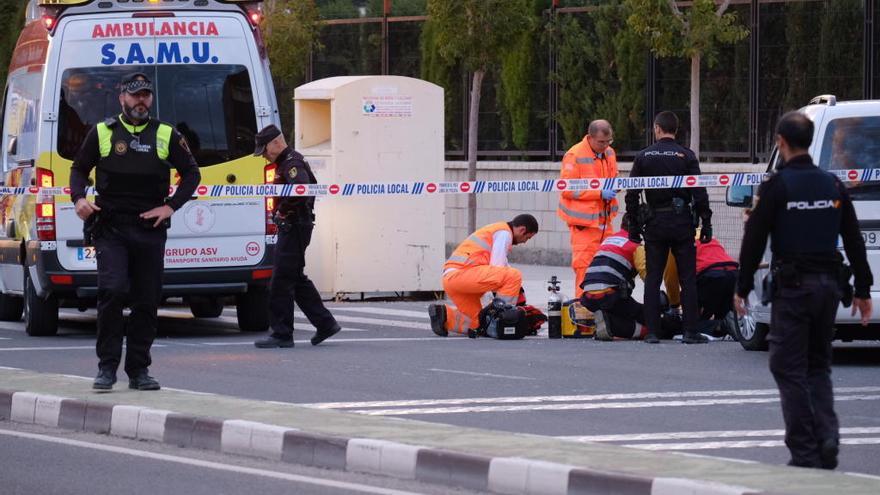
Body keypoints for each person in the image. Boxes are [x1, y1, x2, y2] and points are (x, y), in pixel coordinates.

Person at [734, 111, 873, 469]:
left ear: (780, 142)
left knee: (787, 366)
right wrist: (863, 289)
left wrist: (742, 285)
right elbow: (854, 238)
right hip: (829, 288)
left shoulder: (778, 186)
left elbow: (754, 239)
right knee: (818, 365)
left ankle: (804, 449)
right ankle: (827, 435)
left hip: (793, 290)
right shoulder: (832, 185)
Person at [70, 72, 201, 391]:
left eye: (145, 95)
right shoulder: (102, 132)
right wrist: (78, 199)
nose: (141, 100)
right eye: (135, 95)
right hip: (111, 227)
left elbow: (191, 174)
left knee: (146, 300)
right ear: (122, 98)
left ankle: (139, 370)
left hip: (149, 229)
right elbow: (78, 169)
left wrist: (170, 206)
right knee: (112, 291)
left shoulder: (166, 134)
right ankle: (106, 368)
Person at [625, 111, 712, 344]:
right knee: (688, 278)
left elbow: (632, 193)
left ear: (656, 128)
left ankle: (653, 332)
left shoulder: (644, 156)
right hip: (682, 222)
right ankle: (690, 331)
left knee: (653, 277)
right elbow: (699, 190)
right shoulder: (686, 155)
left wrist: (633, 224)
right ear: (676, 129)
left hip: (655, 224)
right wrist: (706, 221)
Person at [253, 125, 341, 349]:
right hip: (296, 226)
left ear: (276, 143)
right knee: (295, 278)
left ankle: (282, 334)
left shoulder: (292, 163)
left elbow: (301, 189)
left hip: (295, 226)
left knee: (280, 280)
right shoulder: (287, 162)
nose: (264, 155)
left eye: (265, 150)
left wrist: (284, 212)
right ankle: (325, 323)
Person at [428, 215, 539, 337]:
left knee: (479, 324)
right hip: (461, 275)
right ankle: (502, 319)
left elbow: (502, 270)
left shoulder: (496, 230)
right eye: (527, 237)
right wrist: (506, 309)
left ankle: (444, 315)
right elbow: (498, 266)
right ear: (522, 230)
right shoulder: (504, 233)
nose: (524, 242)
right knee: (514, 276)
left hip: (452, 280)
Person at [579, 213, 679, 341]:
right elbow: (649, 277)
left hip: (588, 296)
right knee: (652, 321)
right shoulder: (635, 245)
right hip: (610, 295)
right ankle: (612, 324)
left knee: (624, 311)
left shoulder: (609, 240)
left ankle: (606, 321)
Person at [557, 120, 619, 299]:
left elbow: (614, 174)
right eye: (601, 142)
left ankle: (604, 314)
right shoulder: (574, 155)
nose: (606, 145)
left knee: (608, 268)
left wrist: (617, 184)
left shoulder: (609, 152)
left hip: (605, 223)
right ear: (590, 137)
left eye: (609, 141)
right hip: (584, 226)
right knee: (585, 271)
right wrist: (599, 193)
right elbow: (567, 188)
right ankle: (582, 314)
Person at [664, 229, 739, 336]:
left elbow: (670, 277)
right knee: (718, 310)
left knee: (689, 325)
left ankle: (720, 325)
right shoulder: (710, 237)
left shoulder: (677, 241)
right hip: (732, 274)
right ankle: (726, 324)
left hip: (709, 276)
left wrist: (674, 304)